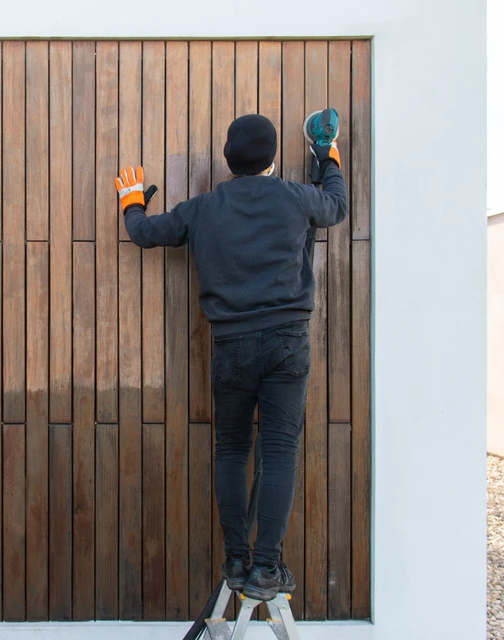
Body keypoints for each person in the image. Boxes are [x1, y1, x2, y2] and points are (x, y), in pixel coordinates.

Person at [115, 110, 348, 601]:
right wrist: (327, 158)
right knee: (278, 450)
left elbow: (144, 233)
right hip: (288, 343)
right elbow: (336, 206)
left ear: (227, 159)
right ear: (271, 159)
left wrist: (132, 203)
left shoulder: (203, 208)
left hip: (232, 347)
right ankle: (266, 568)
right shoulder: (295, 197)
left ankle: (237, 561)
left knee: (232, 449)